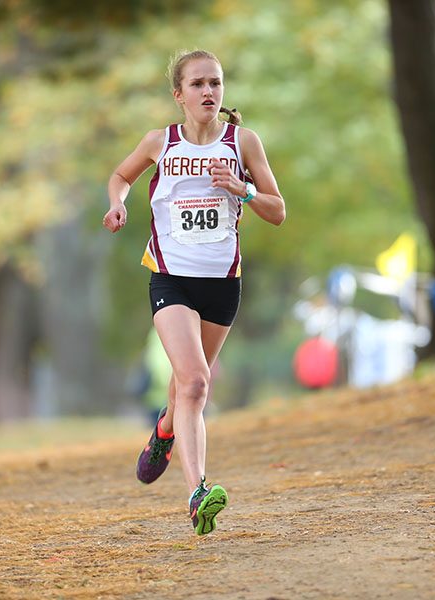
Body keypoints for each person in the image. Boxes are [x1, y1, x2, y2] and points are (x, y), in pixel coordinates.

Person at [102, 49, 285, 535]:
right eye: (199, 84)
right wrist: (118, 205)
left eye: (216, 83)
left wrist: (241, 190)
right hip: (171, 278)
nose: (209, 92)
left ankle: (164, 430)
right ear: (178, 94)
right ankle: (198, 494)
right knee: (197, 383)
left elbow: (277, 210)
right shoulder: (159, 142)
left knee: (186, 389)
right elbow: (120, 176)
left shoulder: (242, 142)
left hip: (223, 284)